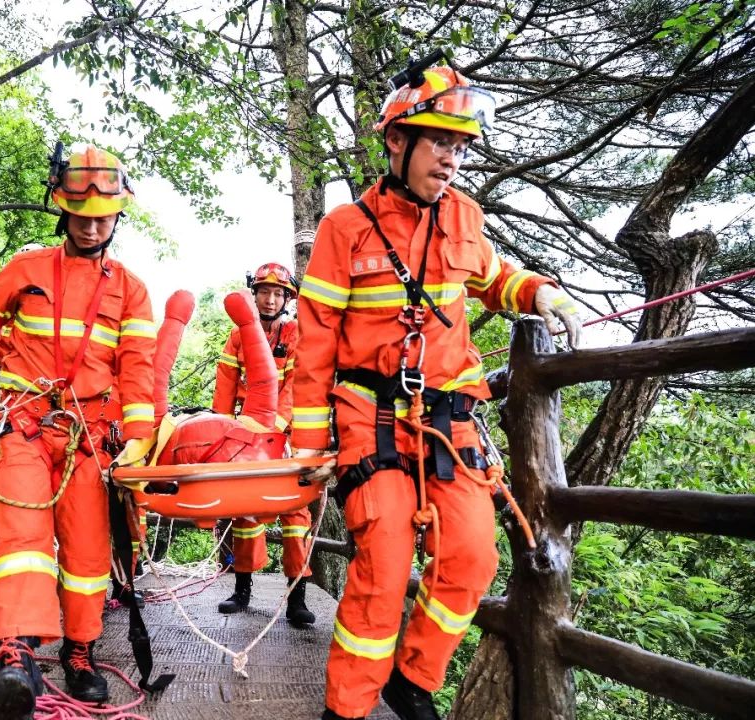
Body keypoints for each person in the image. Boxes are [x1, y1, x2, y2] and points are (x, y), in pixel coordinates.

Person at [289, 65, 581, 720]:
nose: (452, 159)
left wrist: (540, 292)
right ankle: (348, 708)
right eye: (439, 143)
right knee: (384, 566)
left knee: (473, 556)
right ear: (397, 141)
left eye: (461, 147)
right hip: (370, 418)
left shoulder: (465, 219)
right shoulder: (346, 229)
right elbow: (313, 347)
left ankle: (413, 679)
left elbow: (496, 278)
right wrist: (311, 447)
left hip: (450, 420)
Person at [0, 145, 157, 720]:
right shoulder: (26, 271)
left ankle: (81, 650)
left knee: (90, 554)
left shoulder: (132, 290)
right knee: (22, 538)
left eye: (104, 215)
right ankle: (15, 654)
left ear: (119, 215)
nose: (93, 225)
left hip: (91, 436)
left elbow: (138, 373)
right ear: (61, 209)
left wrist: (139, 439)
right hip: (23, 426)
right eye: (82, 214)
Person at [211, 262, 315, 627]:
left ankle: (297, 596)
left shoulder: (297, 333)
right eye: (264, 292)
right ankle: (242, 590)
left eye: (277, 293)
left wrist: (276, 428)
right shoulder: (238, 337)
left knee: (294, 514)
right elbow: (224, 386)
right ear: (253, 295)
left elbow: (298, 385)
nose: (270, 299)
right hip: (244, 436)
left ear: (287, 298)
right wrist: (221, 433)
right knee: (245, 512)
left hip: (288, 435)